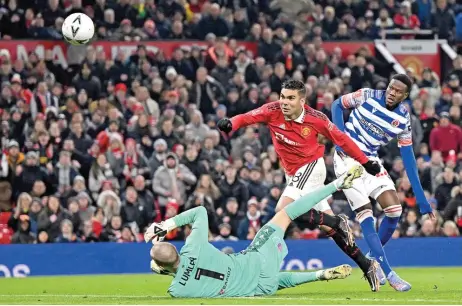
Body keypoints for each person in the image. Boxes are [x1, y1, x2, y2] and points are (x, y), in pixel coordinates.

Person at [217, 79, 381, 291]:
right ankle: (366, 264)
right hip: (293, 174)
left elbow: (342, 139)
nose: (284, 102)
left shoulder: (316, 118)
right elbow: (247, 117)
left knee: (283, 210)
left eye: (290, 98)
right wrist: (231, 123)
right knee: (327, 228)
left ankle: (337, 221)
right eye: (283, 96)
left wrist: (366, 162)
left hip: (311, 167)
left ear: (302, 101)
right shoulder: (272, 110)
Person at [144, 165, 364, 298]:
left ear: (162, 268)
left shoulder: (177, 291)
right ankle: (338, 184)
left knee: (276, 280)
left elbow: (180, 273)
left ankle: (319, 275)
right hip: (257, 260)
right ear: (176, 248)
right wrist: (166, 225)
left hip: (259, 288)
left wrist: (167, 270)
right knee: (286, 213)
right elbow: (200, 211)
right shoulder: (193, 246)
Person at [331, 74, 435, 292]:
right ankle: (387, 271)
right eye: (391, 88)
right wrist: (341, 138)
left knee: (394, 211)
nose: (392, 92)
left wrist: (421, 198)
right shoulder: (366, 96)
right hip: (346, 161)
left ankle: (372, 256)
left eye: (398, 91)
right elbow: (337, 105)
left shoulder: (404, 120)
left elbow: (409, 158)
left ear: (405, 96)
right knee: (367, 215)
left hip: (370, 161)